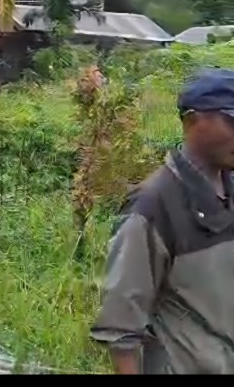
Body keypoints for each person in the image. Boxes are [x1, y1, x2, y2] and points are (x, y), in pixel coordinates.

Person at [91, 68, 234, 374]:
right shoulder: (153, 206)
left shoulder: (229, 190)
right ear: (192, 120)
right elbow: (122, 331)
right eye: (232, 122)